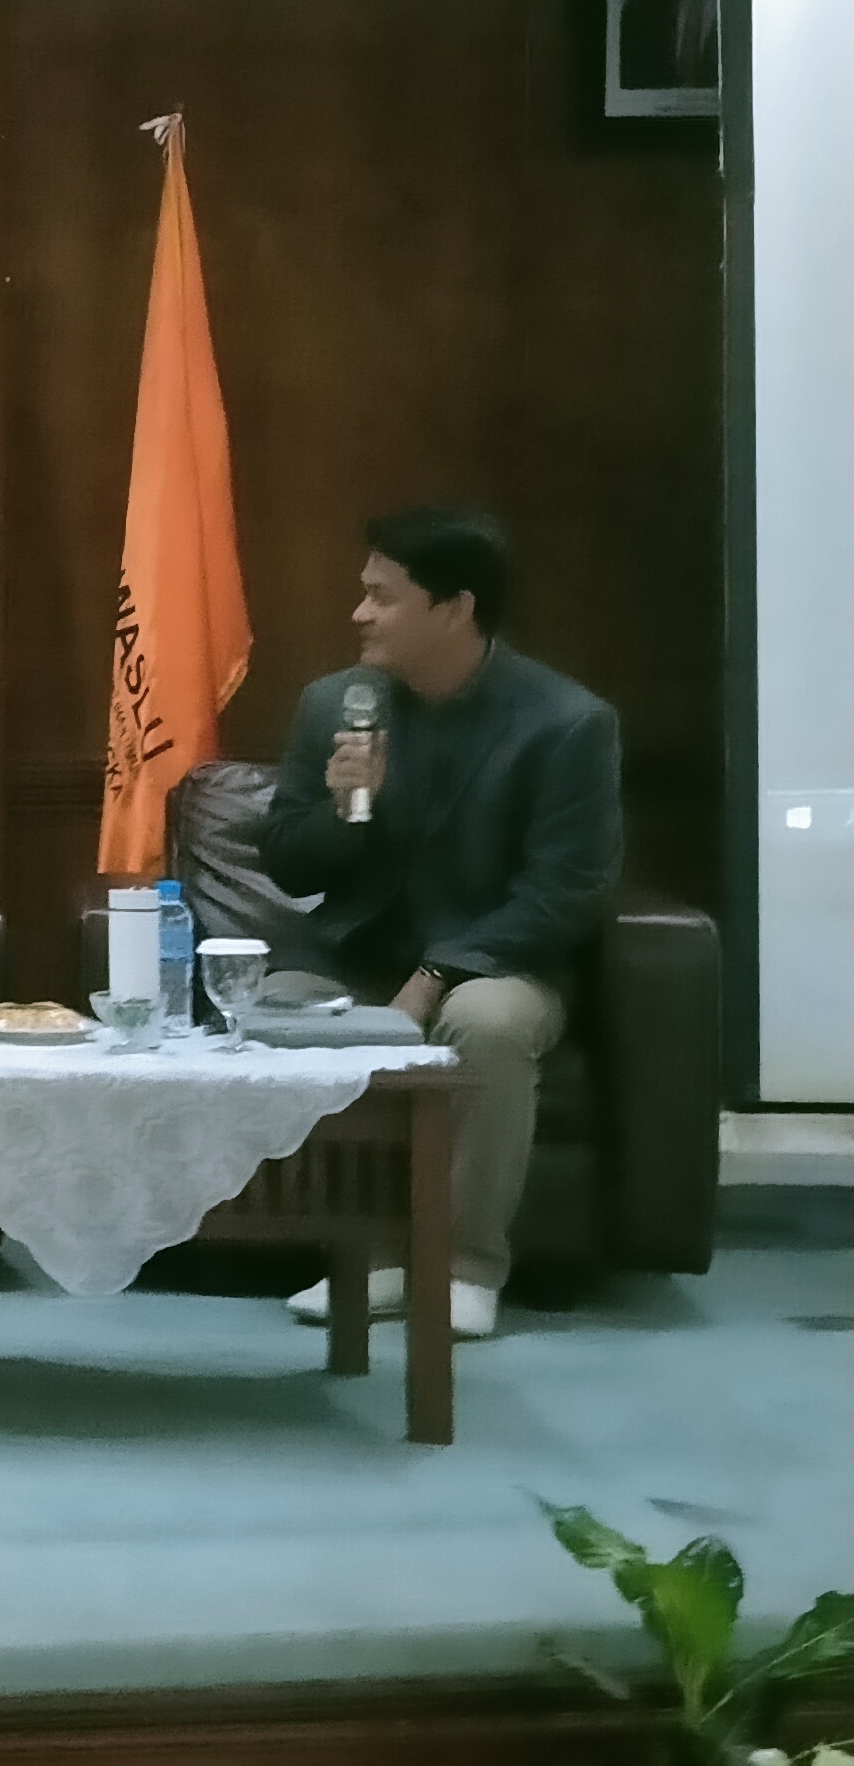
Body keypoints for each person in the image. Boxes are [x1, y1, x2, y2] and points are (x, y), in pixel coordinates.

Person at [264, 508, 619, 1342]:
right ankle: (369, 1255)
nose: (360, 613)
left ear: (455, 608)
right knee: (274, 1009)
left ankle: (463, 1266)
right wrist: (347, 810)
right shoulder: (334, 705)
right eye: (364, 592)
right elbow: (288, 864)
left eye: (384, 597)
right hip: (358, 956)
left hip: (503, 963)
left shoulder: (566, 723)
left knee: (485, 1023)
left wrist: (437, 973)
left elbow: (562, 892)